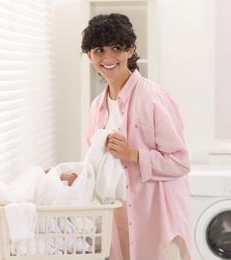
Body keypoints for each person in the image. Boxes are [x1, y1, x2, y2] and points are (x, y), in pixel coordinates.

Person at [81, 13, 192, 260]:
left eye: (117, 48)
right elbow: (96, 166)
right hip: (117, 215)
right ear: (89, 55)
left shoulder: (152, 97)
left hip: (157, 219)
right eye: (99, 50)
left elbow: (181, 163)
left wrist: (134, 154)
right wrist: (72, 176)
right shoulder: (97, 106)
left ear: (130, 50)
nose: (108, 58)